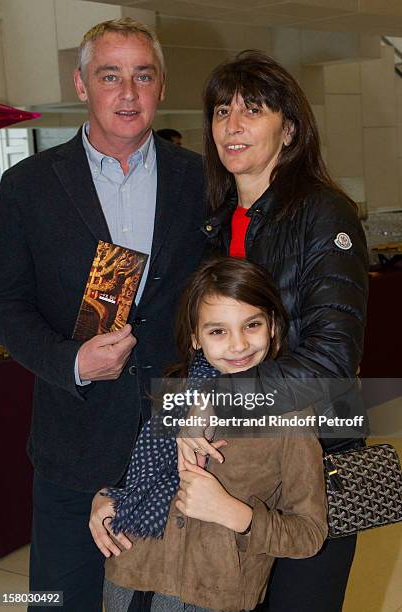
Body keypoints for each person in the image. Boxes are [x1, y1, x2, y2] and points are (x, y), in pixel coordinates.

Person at [0, 17, 206, 611]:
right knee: (63, 601)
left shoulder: (201, 180)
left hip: (177, 445)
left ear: (162, 86)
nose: (129, 92)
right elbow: (5, 303)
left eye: (143, 75)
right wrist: (72, 361)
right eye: (110, 76)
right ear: (82, 84)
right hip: (74, 445)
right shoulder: (27, 185)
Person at [177, 51, 369, 612]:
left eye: (252, 111)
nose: (231, 126)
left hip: (315, 459)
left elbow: (333, 359)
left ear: (289, 130)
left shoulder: (323, 213)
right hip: (234, 466)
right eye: (220, 112)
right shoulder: (214, 226)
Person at [99, 256, 328, 612]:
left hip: (210, 595)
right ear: (195, 337)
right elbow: (142, 477)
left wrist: (236, 514)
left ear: (272, 327)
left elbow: (310, 533)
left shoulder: (289, 413)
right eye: (218, 331)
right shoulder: (176, 392)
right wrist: (106, 499)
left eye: (251, 325)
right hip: (129, 574)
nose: (237, 345)